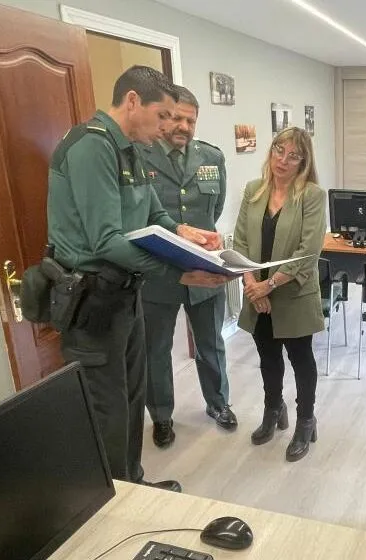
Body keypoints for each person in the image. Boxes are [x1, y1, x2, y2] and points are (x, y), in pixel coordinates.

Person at [46, 66, 227, 491]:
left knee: (130, 397)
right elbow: (106, 240)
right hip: (92, 299)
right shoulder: (92, 146)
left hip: (126, 294)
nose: (167, 126)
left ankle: (133, 483)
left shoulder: (130, 149)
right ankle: (112, 498)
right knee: (107, 407)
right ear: (132, 101)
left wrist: (182, 231)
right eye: (162, 115)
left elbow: (152, 213)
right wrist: (182, 271)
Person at [139, 85, 237, 448]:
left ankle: (218, 403)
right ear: (163, 117)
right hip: (157, 272)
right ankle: (161, 416)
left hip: (205, 270)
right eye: (177, 118)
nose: (184, 126)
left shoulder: (211, 157)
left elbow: (215, 208)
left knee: (211, 343)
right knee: (156, 350)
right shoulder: (139, 154)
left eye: (191, 120)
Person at [233, 127, 326, 462]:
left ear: (304, 162)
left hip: (293, 294)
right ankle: (273, 408)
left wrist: (268, 285)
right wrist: (252, 286)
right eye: (278, 150)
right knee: (268, 357)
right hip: (257, 294)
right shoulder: (253, 190)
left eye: (293, 155)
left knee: (301, 360)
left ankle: (305, 420)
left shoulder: (312, 195)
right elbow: (240, 242)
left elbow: (308, 252)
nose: (283, 160)